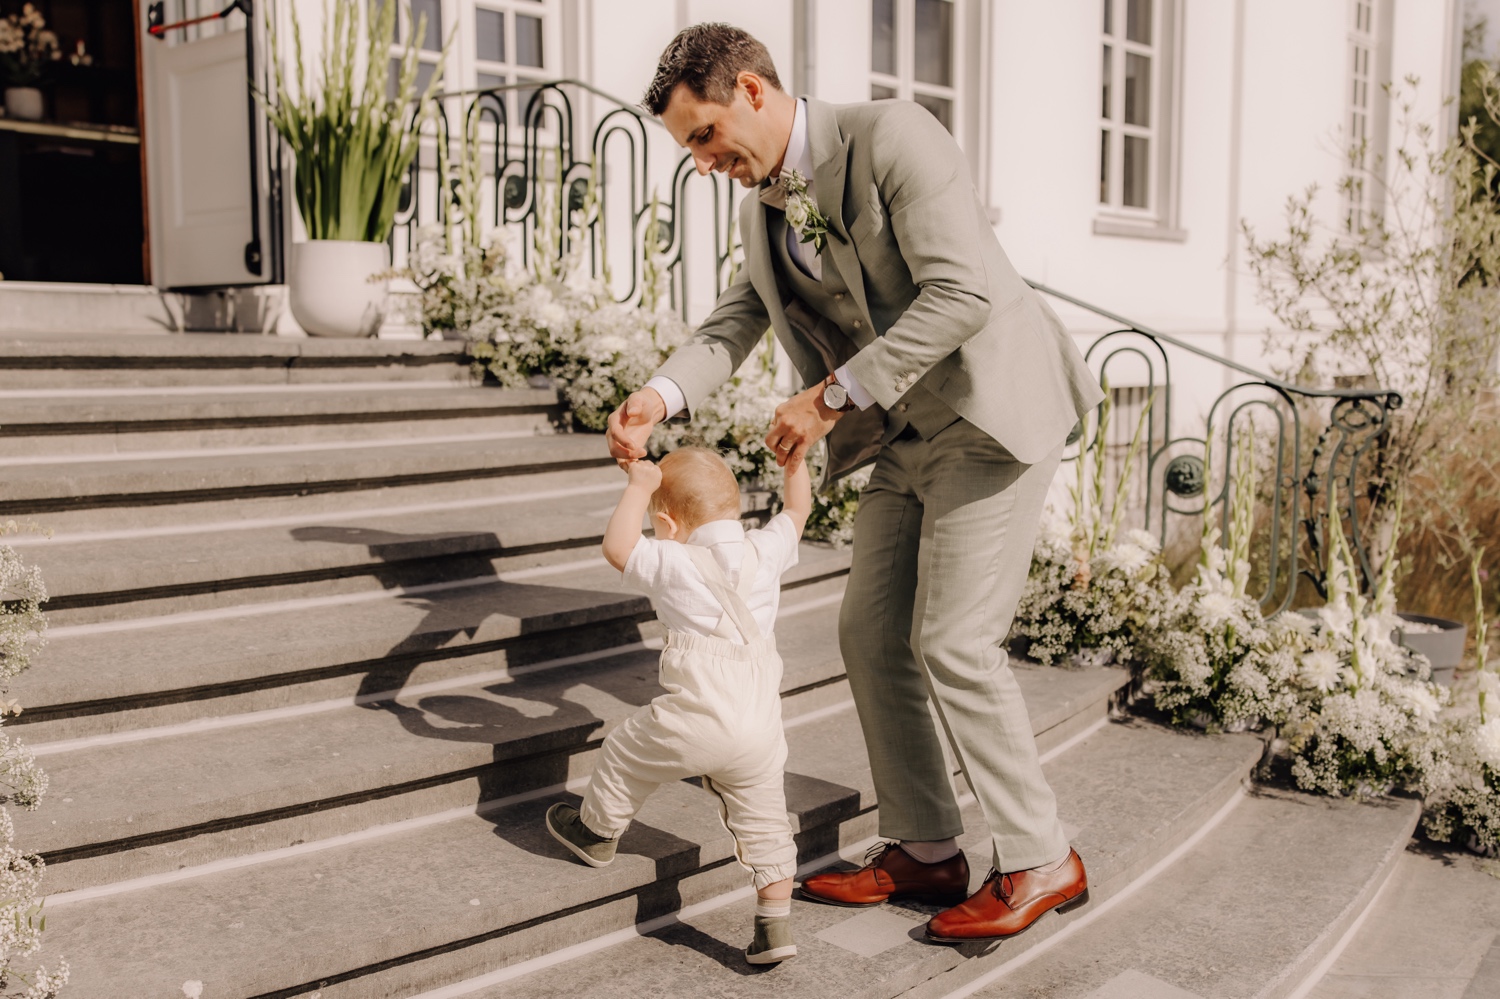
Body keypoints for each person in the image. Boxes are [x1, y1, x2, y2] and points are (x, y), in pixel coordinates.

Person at [605, 24, 1106, 942]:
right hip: (904, 432)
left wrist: (830, 396)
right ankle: (924, 845)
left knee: (954, 639)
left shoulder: (892, 137)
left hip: (993, 416)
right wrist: (658, 393)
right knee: (869, 631)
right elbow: (736, 318)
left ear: (752, 90)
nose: (706, 161)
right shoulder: (763, 203)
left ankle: (1041, 856)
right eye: (691, 148)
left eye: (707, 135)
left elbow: (961, 292)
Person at [545, 446, 812, 965]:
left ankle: (597, 832)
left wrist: (637, 487)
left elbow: (618, 548)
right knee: (764, 819)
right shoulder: (766, 549)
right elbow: (797, 512)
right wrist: (795, 466)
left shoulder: (673, 560)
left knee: (624, 753)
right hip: (761, 727)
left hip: (695, 720)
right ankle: (775, 926)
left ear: (666, 523)